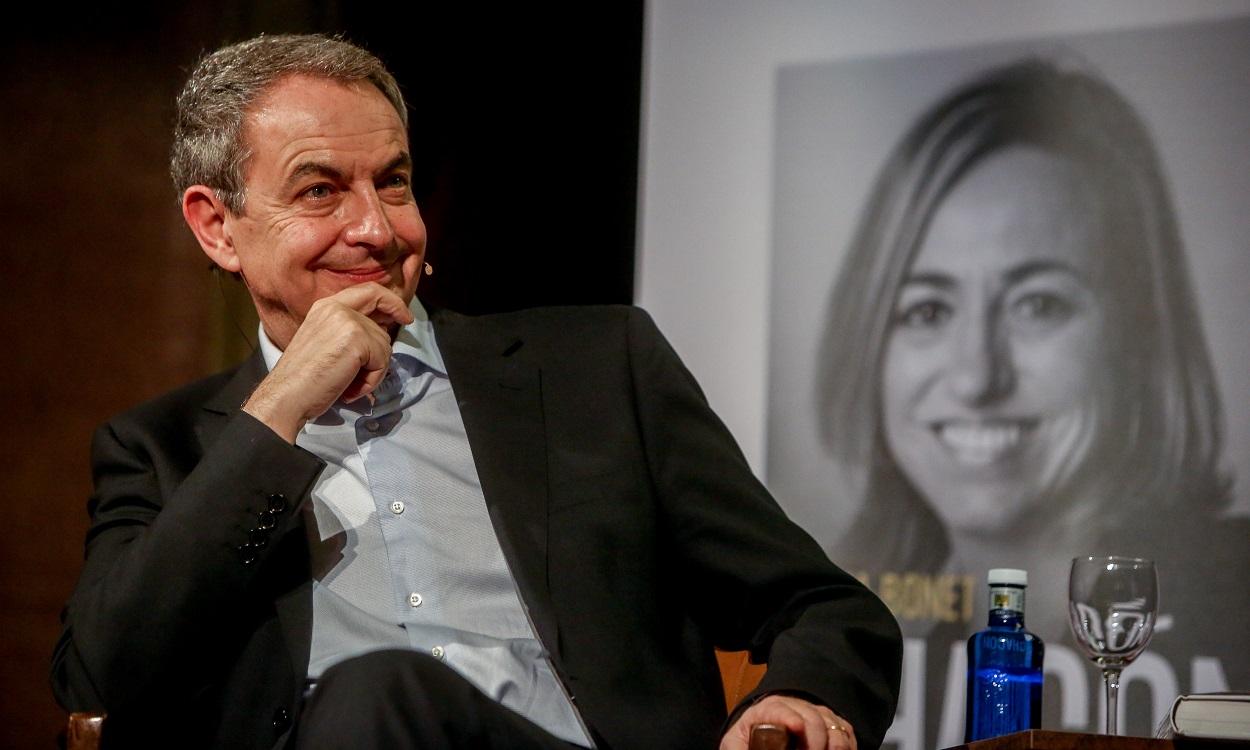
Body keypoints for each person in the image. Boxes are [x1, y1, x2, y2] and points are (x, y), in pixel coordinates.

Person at [51, 34, 901, 750]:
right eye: (320, 190)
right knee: (373, 698)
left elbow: (825, 609)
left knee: (381, 693)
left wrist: (796, 696)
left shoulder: (596, 370)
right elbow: (102, 677)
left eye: (393, 181)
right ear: (215, 225)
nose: (378, 229)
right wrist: (279, 411)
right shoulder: (161, 448)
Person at [815, 58, 1247, 732]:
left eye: (1037, 304)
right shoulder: (844, 652)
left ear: (1142, 335)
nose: (976, 377)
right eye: (926, 312)